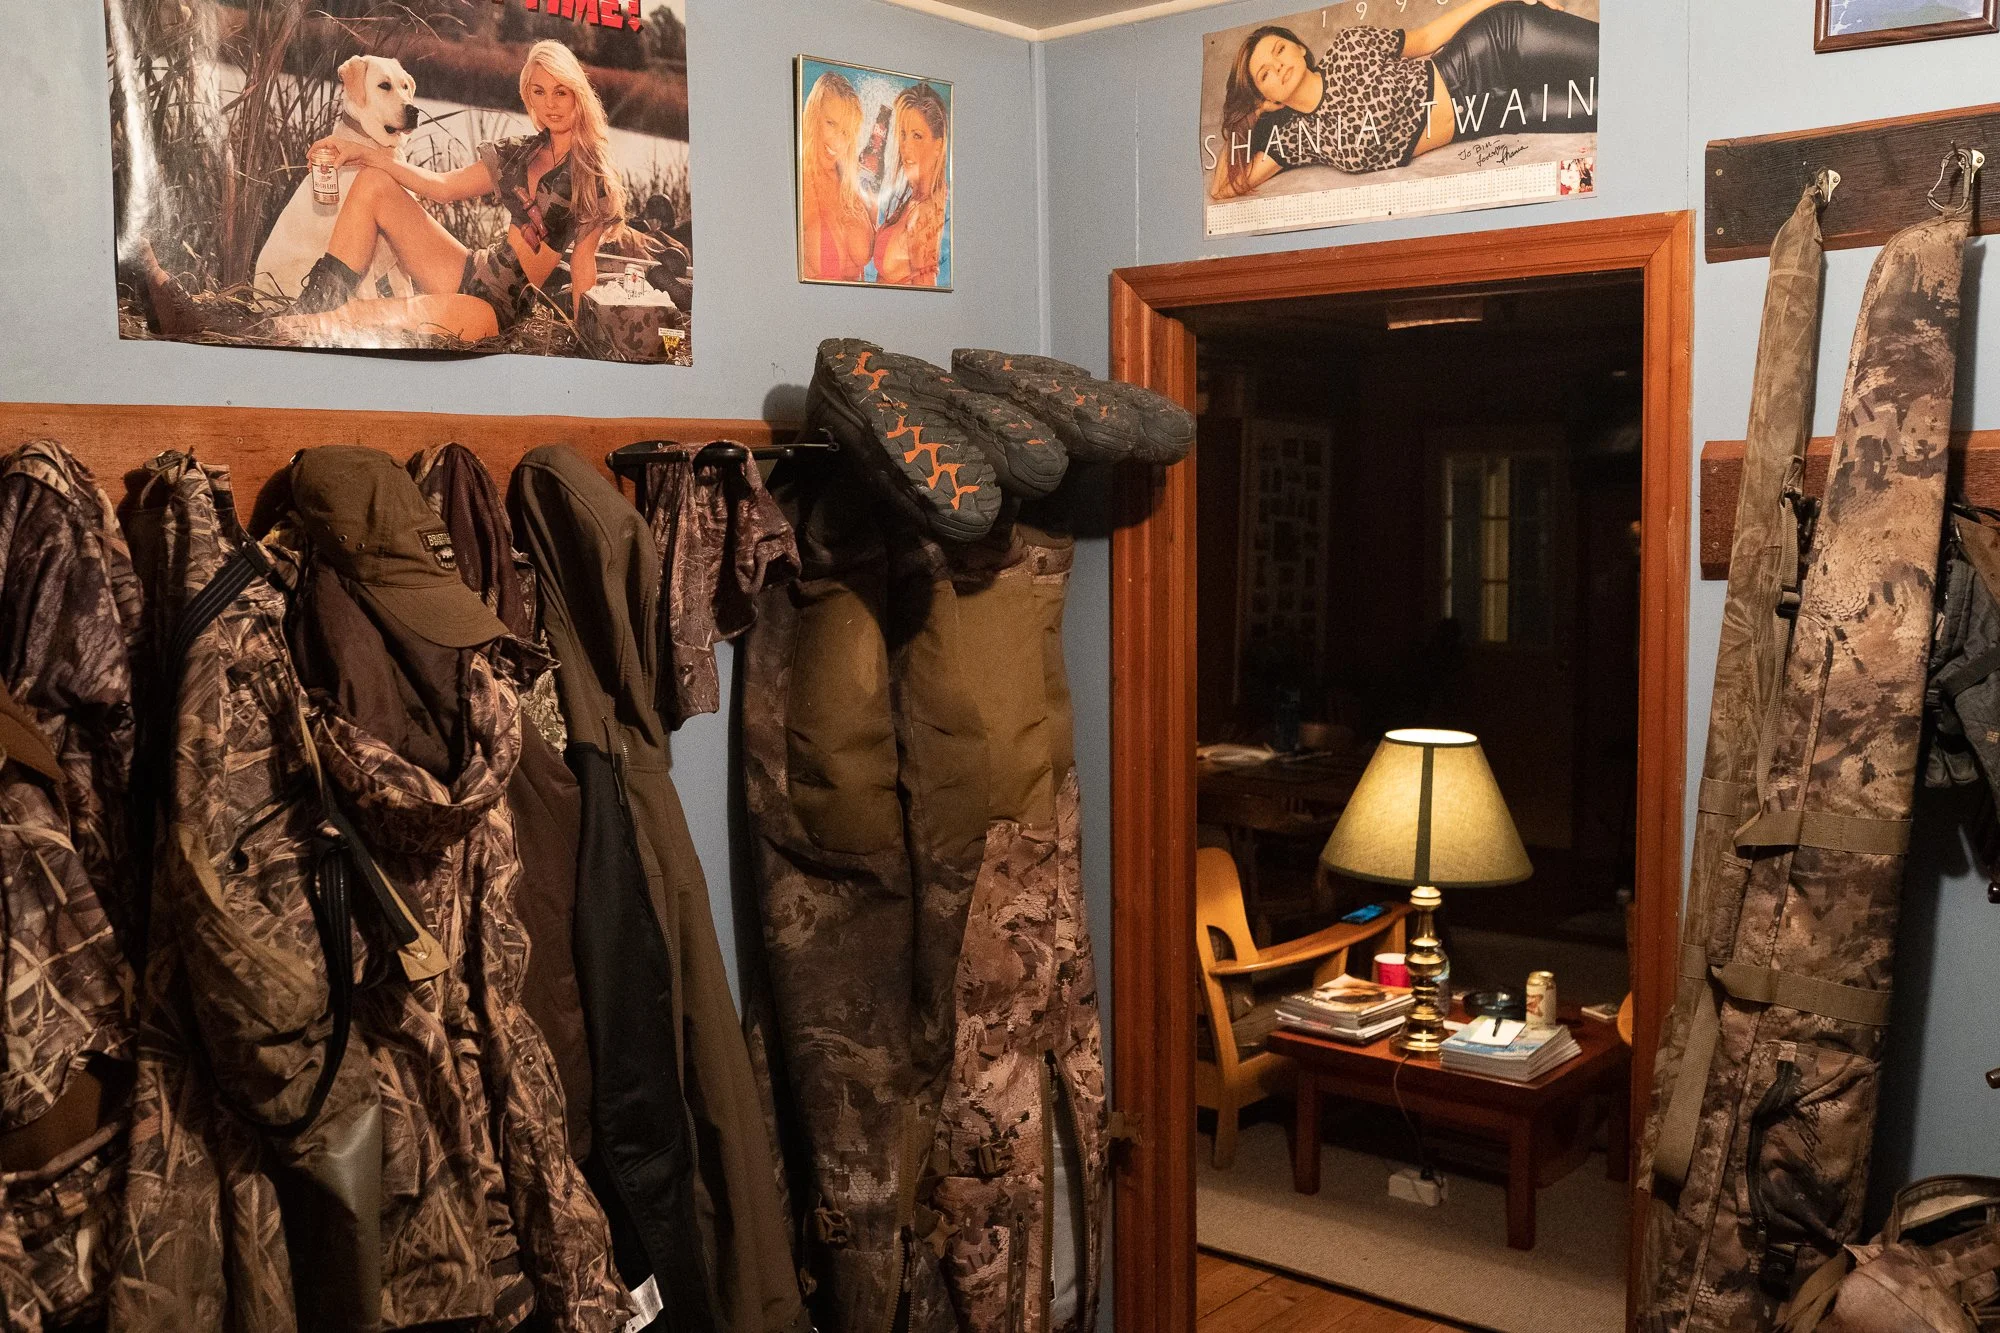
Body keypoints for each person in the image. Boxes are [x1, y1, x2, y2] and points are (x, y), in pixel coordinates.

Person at [281, 39, 650, 343]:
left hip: (493, 311)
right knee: (373, 181)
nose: (550, 103)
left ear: (577, 95)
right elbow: (443, 187)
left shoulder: (590, 176)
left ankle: (296, 326)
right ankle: (313, 302)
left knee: (360, 316)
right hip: (470, 269)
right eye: (539, 91)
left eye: (561, 91)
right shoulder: (520, 153)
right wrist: (361, 152)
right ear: (529, 96)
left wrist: (586, 341)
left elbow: (582, 266)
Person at [1209, 0, 1599, 201]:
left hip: (1496, 46)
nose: (1277, 66)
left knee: (1616, 60)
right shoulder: (1295, 139)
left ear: (1298, 47)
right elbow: (1223, 188)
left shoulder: (1349, 46)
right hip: (1505, 113)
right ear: (1266, 97)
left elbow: (1428, 38)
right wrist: (1251, 116)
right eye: (1264, 74)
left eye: (1279, 50)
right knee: (1610, 110)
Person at [799, 70, 876, 282]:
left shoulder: (852, 187)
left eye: (845, 132)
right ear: (813, 116)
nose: (837, 141)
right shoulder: (798, 184)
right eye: (831, 123)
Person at [871, 83, 950, 288]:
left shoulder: (924, 213)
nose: (906, 147)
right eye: (903, 134)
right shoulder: (914, 201)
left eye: (917, 136)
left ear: (938, 145)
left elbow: (926, 293)